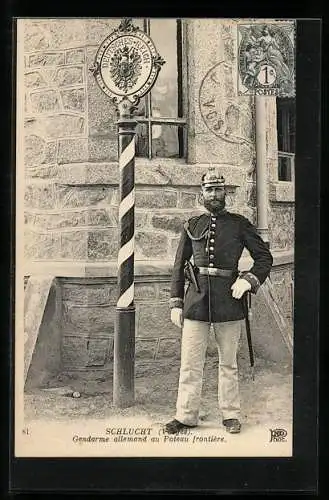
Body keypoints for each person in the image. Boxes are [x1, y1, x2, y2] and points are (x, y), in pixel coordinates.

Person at [164, 167, 273, 434]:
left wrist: (247, 280)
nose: (214, 194)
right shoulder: (192, 225)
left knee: (228, 363)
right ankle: (186, 415)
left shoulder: (239, 224)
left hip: (229, 301)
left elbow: (264, 258)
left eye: (218, 189)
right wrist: (176, 302)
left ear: (226, 192)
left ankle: (231, 414)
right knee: (190, 363)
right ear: (201, 193)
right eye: (209, 190)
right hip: (196, 301)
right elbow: (179, 266)